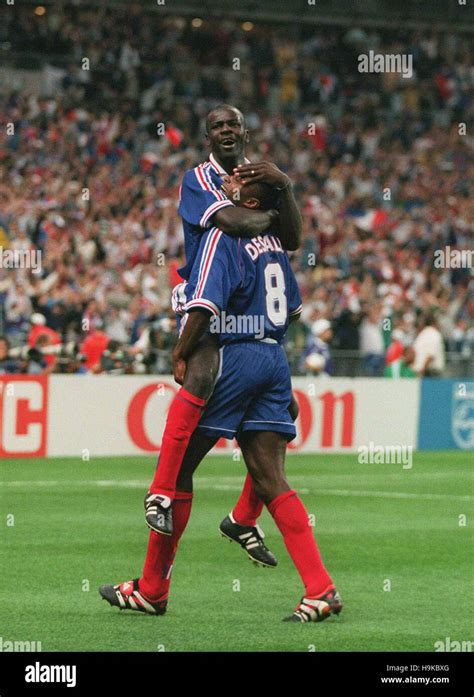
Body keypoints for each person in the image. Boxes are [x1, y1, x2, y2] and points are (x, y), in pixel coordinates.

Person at [100, 180, 342, 623]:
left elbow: (205, 305)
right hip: (273, 355)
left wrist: (180, 352)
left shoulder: (223, 235)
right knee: (271, 477)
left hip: (234, 356)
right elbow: (291, 311)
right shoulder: (273, 244)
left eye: (239, 184)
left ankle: (153, 589)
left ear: (249, 202)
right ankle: (320, 588)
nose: (229, 184)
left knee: (178, 474)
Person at [144, 105, 302, 568]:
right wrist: (267, 213)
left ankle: (241, 517)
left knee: (285, 412)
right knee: (202, 372)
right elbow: (233, 223)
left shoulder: (264, 177)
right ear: (208, 136)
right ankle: (160, 494)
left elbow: (291, 239)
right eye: (218, 126)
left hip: (248, 309)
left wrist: (284, 189)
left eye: (234, 123)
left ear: (245, 129)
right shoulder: (198, 179)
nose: (227, 130)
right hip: (208, 296)